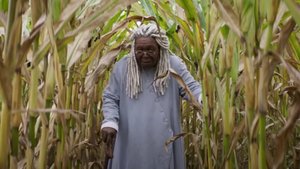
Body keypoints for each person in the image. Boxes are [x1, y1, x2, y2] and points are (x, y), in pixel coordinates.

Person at [101, 23, 202, 169]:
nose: (145, 54)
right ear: (133, 49)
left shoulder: (173, 64)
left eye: (150, 49)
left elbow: (191, 87)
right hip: (130, 140)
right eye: (140, 50)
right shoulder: (123, 67)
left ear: (160, 48)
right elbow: (110, 97)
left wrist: (202, 98)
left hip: (163, 141)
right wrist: (110, 121)